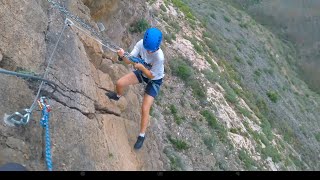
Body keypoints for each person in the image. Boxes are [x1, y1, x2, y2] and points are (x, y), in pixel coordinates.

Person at [106, 27, 164, 150]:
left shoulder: (159, 57)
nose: (148, 52)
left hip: (154, 79)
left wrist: (142, 68)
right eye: (147, 49)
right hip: (142, 72)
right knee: (120, 83)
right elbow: (129, 60)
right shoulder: (141, 44)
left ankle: (141, 135)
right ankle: (117, 96)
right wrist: (122, 56)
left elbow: (151, 75)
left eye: (151, 51)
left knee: (144, 108)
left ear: (156, 48)